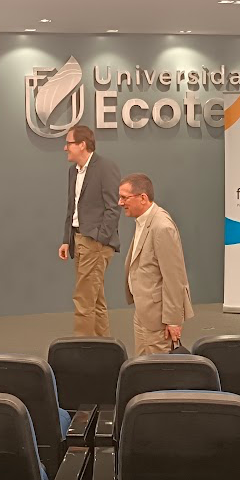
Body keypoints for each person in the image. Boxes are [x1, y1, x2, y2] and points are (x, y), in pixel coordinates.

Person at [119, 173, 193, 356]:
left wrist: (173, 320)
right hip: (143, 312)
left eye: (124, 197)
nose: (120, 203)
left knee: (158, 368)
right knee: (141, 366)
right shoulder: (143, 221)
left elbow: (174, 278)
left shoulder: (162, 227)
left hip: (158, 320)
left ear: (143, 198)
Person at [58, 125, 121, 337]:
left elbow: (113, 208)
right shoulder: (73, 171)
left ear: (82, 145)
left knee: (84, 300)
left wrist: (100, 239)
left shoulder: (105, 168)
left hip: (94, 242)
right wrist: (67, 240)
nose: (65, 148)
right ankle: (104, 346)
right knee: (95, 299)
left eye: (68, 143)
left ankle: (82, 349)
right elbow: (72, 207)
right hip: (78, 239)